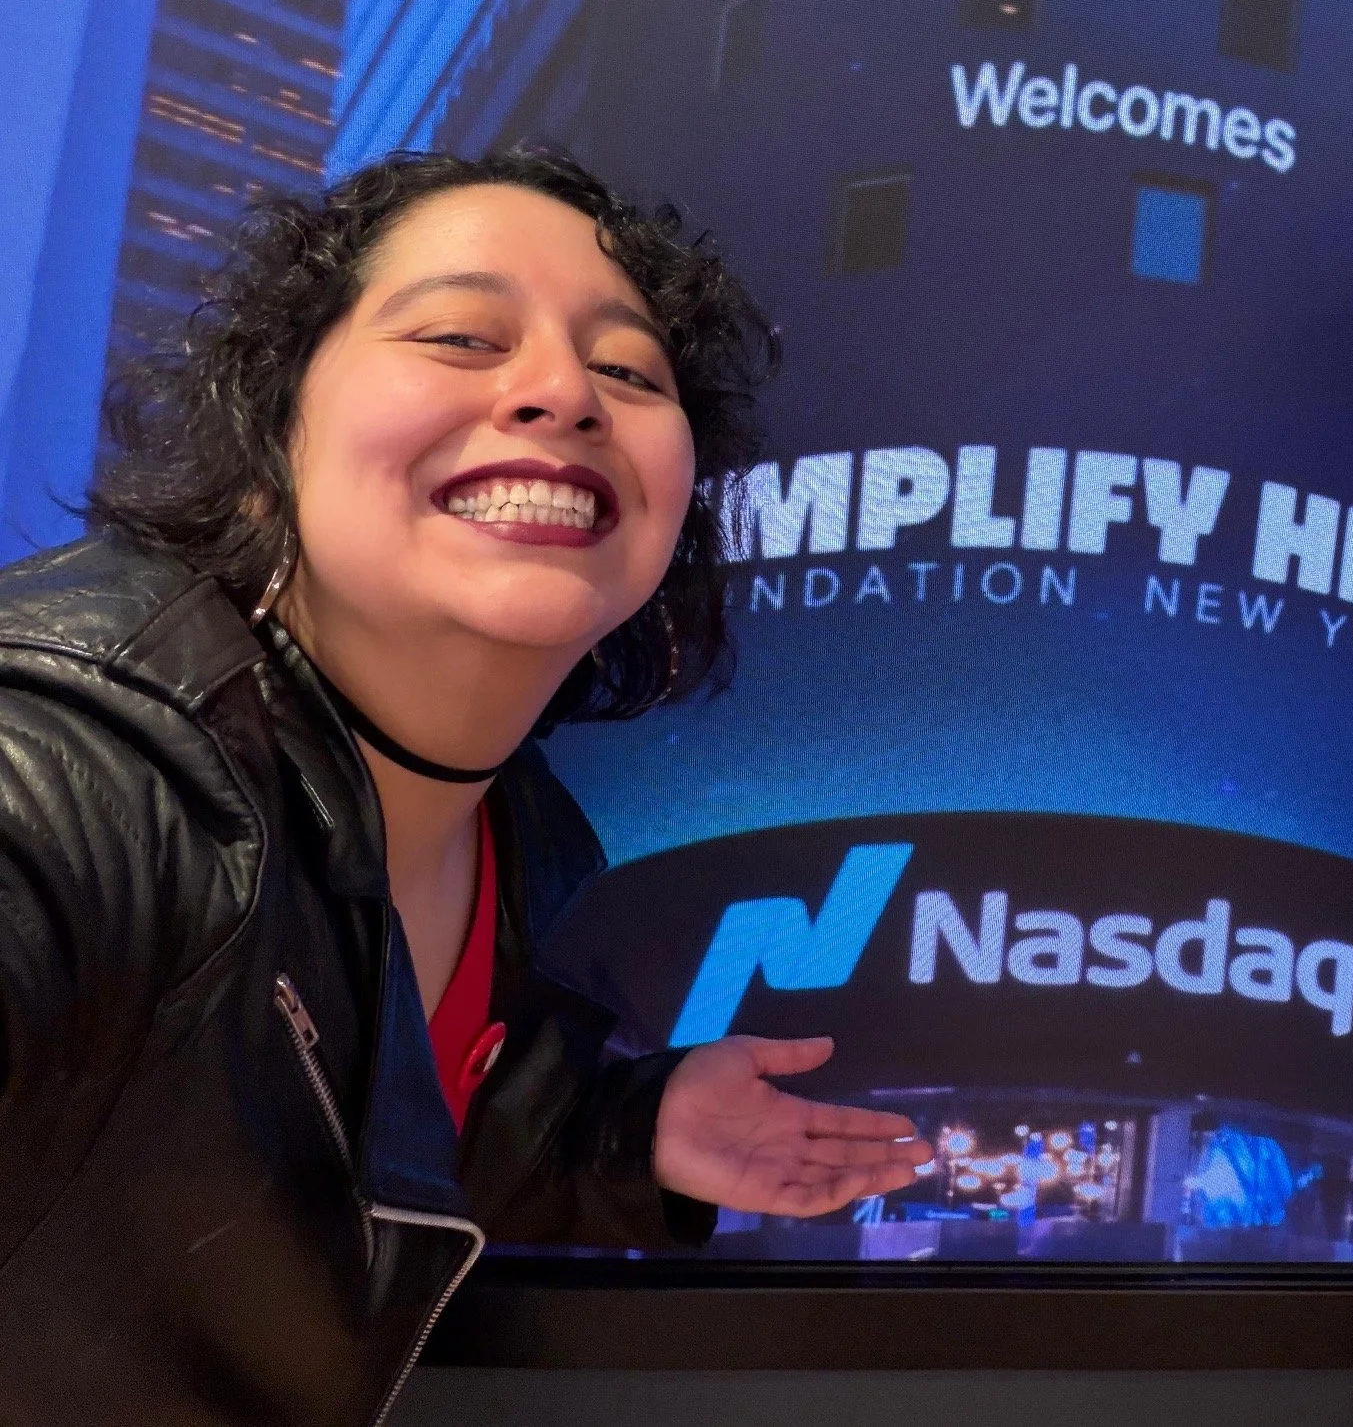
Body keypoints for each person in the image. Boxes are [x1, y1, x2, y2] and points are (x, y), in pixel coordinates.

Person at [0, 149, 933, 1425]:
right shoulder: (82, 760)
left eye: (628, 371)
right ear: (269, 436)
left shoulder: (526, 839)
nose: (564, 393)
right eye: (458, 338)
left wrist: (635, 1133)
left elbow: (380, 1109)